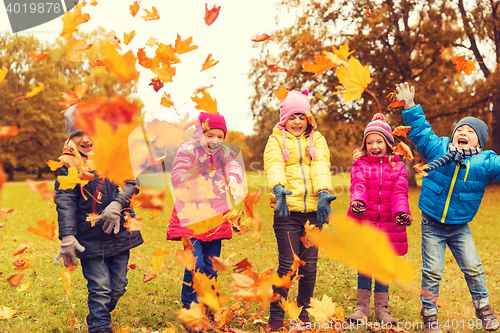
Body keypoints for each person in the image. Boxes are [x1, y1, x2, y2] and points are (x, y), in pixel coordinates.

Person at [396, 82, 500, 333]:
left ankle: (483, 308)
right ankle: (429, 314)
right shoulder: (439, 148)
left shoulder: (485, 161)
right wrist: (410, 105)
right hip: (432, 224)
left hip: (459, 226)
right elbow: (420, 132)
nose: (463, 132)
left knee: (473, 268)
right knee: (432, 272)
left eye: (470, 131)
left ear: (480, 140)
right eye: (460, 129)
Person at [53, 105, 143, 333]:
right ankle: (99, 326)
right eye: (78, 134)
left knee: (118, 286)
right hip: (89, 238)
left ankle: (96, 315)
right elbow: (65, 202)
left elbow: (131, 182)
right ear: (70, 137)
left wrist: (117, 203)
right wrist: (68, 236)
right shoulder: (67, 166)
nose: (86, 139)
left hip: (119, 233)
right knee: (100, 287)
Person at [263, 89, 336, 331]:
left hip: (314, 213)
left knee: (309, 266)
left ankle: (304, 312)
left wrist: (324, 192)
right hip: (287, 213)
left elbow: (321, 166)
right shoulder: (276, 140)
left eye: (301, 117)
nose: (297, 122)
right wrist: (278, 188)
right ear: (284, 119)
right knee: (287, 266)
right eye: (292, 117)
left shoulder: (318, 140)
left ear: (308, 119)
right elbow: (273, 164)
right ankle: (276, 314)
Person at [166, 111, 244, 315]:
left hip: (215, 217)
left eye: (220, 136)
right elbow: (178, 175)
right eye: (210, 135)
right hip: (191, 215)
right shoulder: (187, 150)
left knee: (211, 264)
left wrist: (233, 179)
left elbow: (233, 166)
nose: (215, 141)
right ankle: (191, 307)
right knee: (195, 263)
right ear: (199, 134)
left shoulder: (223, 153)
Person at [346, 113, 412, 325]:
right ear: (365, 145)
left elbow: (400, 192)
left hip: (388, 225)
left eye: (379, 141)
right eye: (370, 142)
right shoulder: (360, 165)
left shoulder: (398, 167)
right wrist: (358, 201)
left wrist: (401, 212)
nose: (374, 146)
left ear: (388, 144)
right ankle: (361, 308)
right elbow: (358, 186)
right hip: (366, 221)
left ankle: (382, 309)